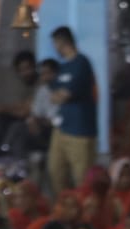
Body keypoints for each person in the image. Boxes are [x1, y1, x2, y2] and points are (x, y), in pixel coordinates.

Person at [45, 27, 99, 194]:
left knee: (82, 178)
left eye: (55, 44)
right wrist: (59, 95)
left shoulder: (81, 64)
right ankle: (64, 205)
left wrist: (61, 95)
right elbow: (53, 96)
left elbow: (65, 95)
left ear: (62, 43)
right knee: (55, 171)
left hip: (80, 132)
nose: (55, 48)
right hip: (61, 129)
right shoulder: (62, 68)